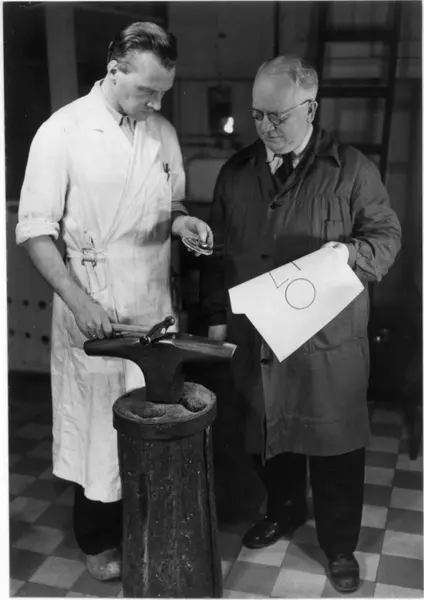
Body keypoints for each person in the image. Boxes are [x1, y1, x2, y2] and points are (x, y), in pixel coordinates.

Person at [16, 21, 212, 581]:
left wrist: (184, 224)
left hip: (152, 299)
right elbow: (34, 232)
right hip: (94, 298)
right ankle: (97, 536)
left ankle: (148, 526)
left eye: (163, 92)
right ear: (113, 70)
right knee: (100, 429)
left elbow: (172, 205)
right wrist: (77, 300)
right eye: (147, 90)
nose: (156, 104)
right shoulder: (62, 131)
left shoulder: (161, 132)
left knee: (153, 416)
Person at [201, 55, 401, 594]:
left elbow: (386, 237)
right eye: (256, 115)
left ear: (310, 109)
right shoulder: (236, 173)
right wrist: (216, 316)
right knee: (270, 437)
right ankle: (284, 511)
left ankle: (338, 546)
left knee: (336, 447)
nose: (265, 127)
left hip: (328, 342)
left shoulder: (352, 169)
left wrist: (350, 252)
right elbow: (217, 253)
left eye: (277, 116)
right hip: (260, 337)